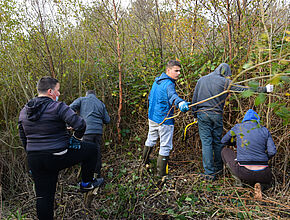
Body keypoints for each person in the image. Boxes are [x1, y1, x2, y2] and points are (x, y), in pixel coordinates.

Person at [18, 77, 103, 220]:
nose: (59, 93)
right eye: (57, 90)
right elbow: (80, 124)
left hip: (34, 159)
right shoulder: (58, 107)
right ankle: (86, 183)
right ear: (50, 91)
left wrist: (32, 152)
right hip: (57, 155)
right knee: (92, 149)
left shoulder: (24, 111)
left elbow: (23, 137)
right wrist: (75, 139)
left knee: (44, 197)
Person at [192, 63, 273, 180]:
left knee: (206, 143)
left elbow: (195, 99)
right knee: (217, 142)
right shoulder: (224, 82)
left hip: (202, 115)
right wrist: (264, 89)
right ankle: (219, 169)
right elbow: (243, 89)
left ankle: (210, 173)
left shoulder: (201, 80)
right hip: (216, 115)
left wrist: (194, 114)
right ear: (225, 73)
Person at [142, 60, 190, 177]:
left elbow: (150, 98)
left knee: (151, 139)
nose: (179, 73)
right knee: (165, 146)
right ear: (168, 70)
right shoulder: (168, 84)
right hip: (164, 120)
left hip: (152, 117)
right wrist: (180, 103)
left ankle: (145, 163)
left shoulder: (157, 81)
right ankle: (161, 175)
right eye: (176, 71)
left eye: (179, 71)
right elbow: (172, 96)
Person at [221, 109, 276, 191]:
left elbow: (224, 141)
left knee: (225, 151)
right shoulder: (264, 130)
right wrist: (264, 158)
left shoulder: (238, 127)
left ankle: (238, 183)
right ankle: (261, 185)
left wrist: (234, 144)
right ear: (257, 120)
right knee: (265, 180)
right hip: (264, 173)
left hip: (244, 172)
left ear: (244, 119)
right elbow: (272, 151)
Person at [69, 90, 110, 178]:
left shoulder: (81, 100)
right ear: (95, 95)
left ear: (86, 94)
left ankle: (86, 178)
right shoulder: (100, 103)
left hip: (86, 132)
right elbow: (107, 120)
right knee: (97, 154)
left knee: (85, 154)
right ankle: (96, 175)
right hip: (98, 133)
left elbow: (69, 109)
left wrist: (75, 121)